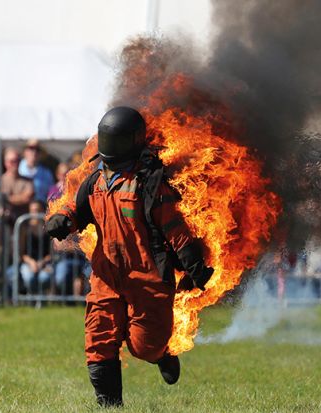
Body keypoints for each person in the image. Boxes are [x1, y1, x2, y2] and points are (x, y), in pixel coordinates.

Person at [45, 107, 213, 407]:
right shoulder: (94, 181)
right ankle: (110, 406)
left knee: (143, 347)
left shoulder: (150, 183)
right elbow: (77, 211)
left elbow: (175, 228)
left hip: (147, 278)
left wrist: (194, 265)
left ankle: (161, 354)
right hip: (106, 275)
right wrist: (62, 219)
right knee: (99, 340)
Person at [19, 200, 52, 296]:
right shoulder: (24, 229)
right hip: (28, 262)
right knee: (29, 277)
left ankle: (41, 300)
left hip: (45, 263)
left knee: (44, 277)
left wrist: (42, 262)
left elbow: (52, 253)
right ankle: (32, 299)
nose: (35, 213)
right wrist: (31, 262)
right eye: (32, 210)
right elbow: (21, 253)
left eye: (37, 210)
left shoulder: (48, 229)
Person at [0, 148, 34, 223]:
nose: (15, 163)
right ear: (6, 163)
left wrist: (7, 199)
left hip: (22, 223)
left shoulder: (28, 180)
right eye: (12, 161)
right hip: (4, 222)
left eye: (17, 160)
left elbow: (26, 198)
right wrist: (18, 197)